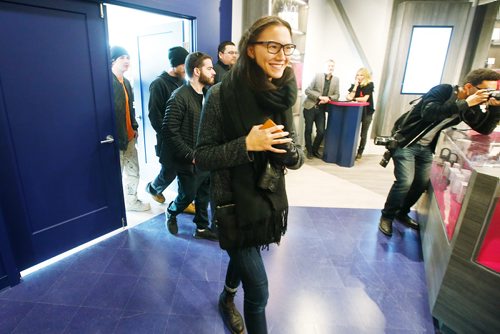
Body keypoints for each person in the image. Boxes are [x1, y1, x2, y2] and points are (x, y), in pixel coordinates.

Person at [196, 16, 304, 334]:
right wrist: (246, 145)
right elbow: (202, 156)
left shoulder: (283, 94)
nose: (282, 54)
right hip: (233, 205)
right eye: (273, 45)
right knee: (258, 292)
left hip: (265, 202)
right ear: (251, 50)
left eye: (287, 46)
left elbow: (297, 157)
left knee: (245, 256)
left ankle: (227, 297)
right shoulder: (220, 96)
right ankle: (233, 301)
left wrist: (287, 151)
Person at [379, 68, 500, 237]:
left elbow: (484, 129)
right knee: (405, 181)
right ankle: (387, 216)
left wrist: (495, 109)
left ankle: (402, 212)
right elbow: (429, 113)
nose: (487, 95)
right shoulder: (443, 90)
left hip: (426, 148)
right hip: (406, 142)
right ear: (469, 87)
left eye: (492, 91)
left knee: (421, 183)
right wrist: (466, 103)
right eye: (485, 91)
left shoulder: (469, 106)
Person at [162, 51, 218, 241]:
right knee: (187, 197)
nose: (214, 72)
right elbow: (169, 131)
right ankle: (171, 211)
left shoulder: (207, 94)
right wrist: (190, 155)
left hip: (206, 158)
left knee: (204, 196)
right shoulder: (179, 96)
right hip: (188, 161)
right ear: (196, 71)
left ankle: (202, 228)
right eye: (209, 68)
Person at [145, 46, 196, 214]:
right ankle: (153, 188)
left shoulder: (183, 81)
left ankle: (183, 201)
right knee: (169, 172)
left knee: (185, 171)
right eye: (184, 64)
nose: (186, 68)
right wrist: (170, 136)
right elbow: (154, 115)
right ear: (175, 64)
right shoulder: (158, 84)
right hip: (168, 140)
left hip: (185, 139)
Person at [110, 46, 150, 212]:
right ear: (113, 60)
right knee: (114, 175)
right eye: (122, 57)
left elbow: (130, 108)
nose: (127, 61)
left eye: (128, 57)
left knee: (133, 171)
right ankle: (113, 208)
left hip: (130, 137)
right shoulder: (107, 83)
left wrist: (134, 127)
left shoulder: (125, 82)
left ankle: (132, 202)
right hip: (115, 139)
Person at [302, 59, 339, 159]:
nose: (330, 68)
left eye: (332, 66)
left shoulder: (336, 80)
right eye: (329, 66)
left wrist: (328, 99)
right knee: (308, 129)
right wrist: (319, 97)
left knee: (321, 131)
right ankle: (309, 151)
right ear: (324, 67)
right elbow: (307, 90)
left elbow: (337, 95)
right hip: (310, 107)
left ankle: (315, 150)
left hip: (322, 109)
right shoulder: (317, 76)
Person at [346, 67, 375, 160]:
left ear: (365, 76)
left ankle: (360, 152)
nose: (359, 77)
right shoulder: (354, 85)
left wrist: (353, 99)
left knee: (363, 133)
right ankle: (350, 151)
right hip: (356, 112)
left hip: (367, 112)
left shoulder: (369, 85)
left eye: (361, 75)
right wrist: (355, 86)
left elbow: (364, 99)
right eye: (358, 75)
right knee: (353, 132)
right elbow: (348, 97)